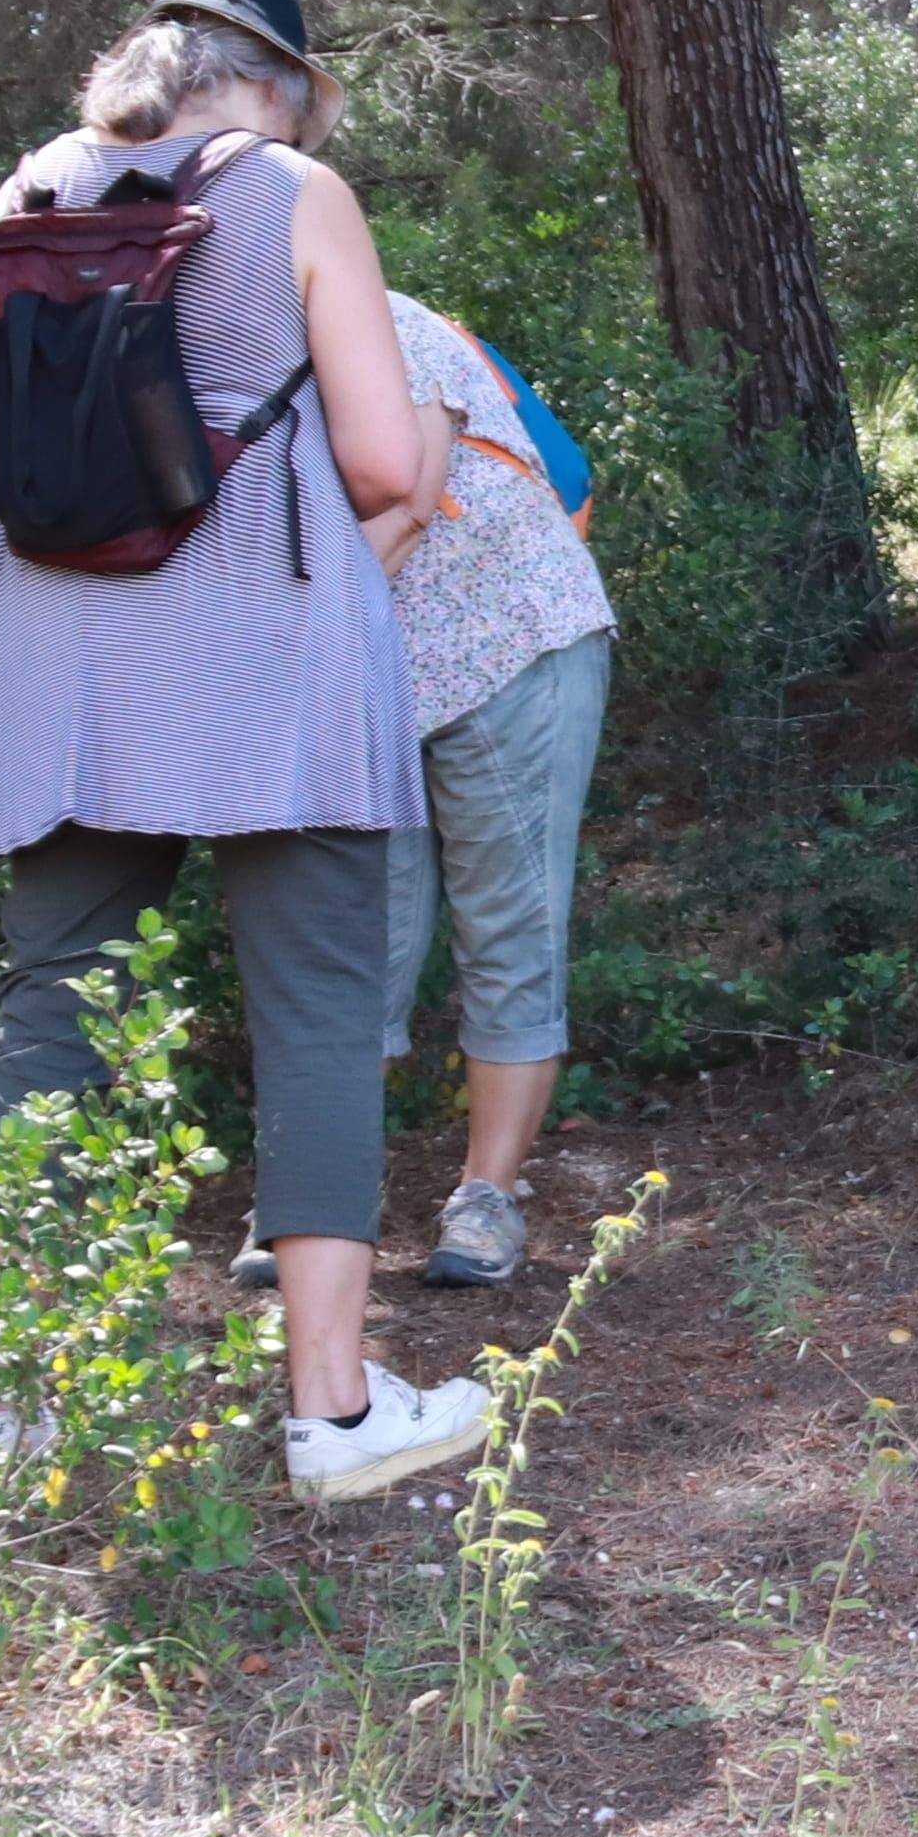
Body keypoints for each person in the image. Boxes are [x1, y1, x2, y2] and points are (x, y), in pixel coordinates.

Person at [0, 0, 497, 1505]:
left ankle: (8, 1406)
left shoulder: (28, 186)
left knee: (53, 1008)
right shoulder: (297, 190)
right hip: (272, 658)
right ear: (285, 84)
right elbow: (381, 461)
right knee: (310, 1011)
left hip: (63, 670)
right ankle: (335, 1413)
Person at [360, 287, 616, 1285]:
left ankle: (488, 1197)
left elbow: (405, 508)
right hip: (365, 673)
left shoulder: (386, 325)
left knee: (508, 920)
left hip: (510, 645)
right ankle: (320, 1192)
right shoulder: (213, 342)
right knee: (348, 932)